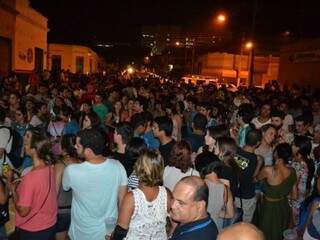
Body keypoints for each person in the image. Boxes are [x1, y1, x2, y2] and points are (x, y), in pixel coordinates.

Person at [62, 129, 128, 240]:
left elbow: (65, 187)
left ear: (88, 151)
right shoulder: (118, 166)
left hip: (81, 232)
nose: (75, 147)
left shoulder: (72, 170)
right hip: (108, 231)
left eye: (78, 145)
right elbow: (123, 202)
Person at [5, 128, 57, 239]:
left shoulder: (31, 177)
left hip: (34, 229)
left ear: (34, 148)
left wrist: (12, 189)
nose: (24, 138)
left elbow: (23, 212)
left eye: (27, 136)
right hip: (49, 224)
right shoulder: (49, 167)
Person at [112, 150, 170, 240]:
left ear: (139, 168)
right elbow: (173, 224)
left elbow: (120, 231)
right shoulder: (167, 194)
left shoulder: (131, 198)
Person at [255, 143, 297, 240]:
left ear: (276, 154)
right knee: (280, 233)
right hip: (283, 206)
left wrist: (259, 163)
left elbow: (255, 178)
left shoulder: (268, 170)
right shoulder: (292, 171)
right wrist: (280, 194)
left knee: (267, 234)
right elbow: (295, 196)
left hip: (269, 208)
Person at [54, 134, 81, 240]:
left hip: (62, 212)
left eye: (60, 143)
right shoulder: (81, 163)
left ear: (64, 148)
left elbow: (55, 193)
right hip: (77, 210)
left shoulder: (60, 165)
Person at [235, 129, 263, 223]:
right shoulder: (254, 158)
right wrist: (259, 164)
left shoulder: (236, 152)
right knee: (246, 222)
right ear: (258, 143)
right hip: (247, 196)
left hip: (235, 194)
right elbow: (253, 178)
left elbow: (242, 170)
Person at [200, 160, 234, 231]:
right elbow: (230, 214)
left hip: (199, 225)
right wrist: (216, 213)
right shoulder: (225, 189)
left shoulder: (198, 183)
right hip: (215, 227)